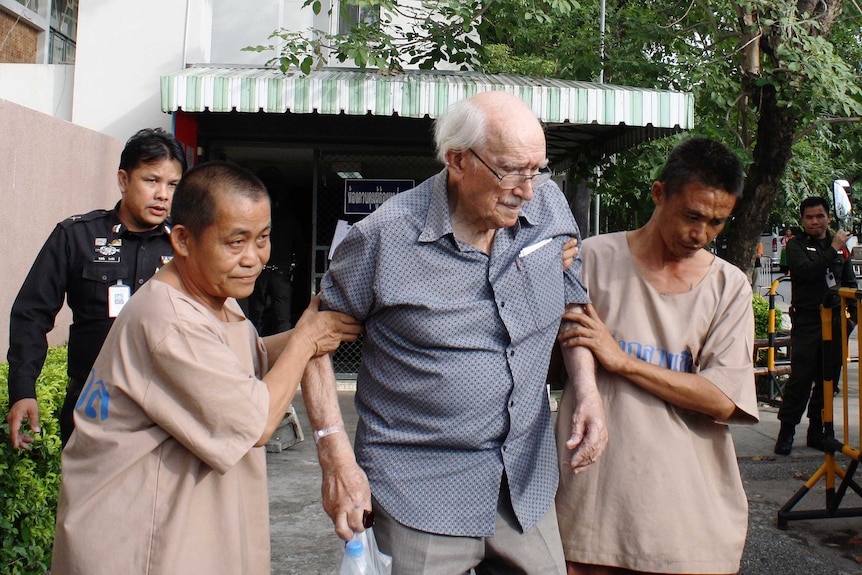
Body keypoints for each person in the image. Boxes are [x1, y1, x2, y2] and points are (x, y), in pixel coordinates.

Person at [301, 91, 607, 575]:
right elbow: (313, 342)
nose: (528, 189)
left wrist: (586, 390)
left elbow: (573, 300)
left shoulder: (548, 207)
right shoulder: (383, 238)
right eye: (512, 171)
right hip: (417, 490)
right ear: (458, 160)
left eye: (538, 169)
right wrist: (333, 451)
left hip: (523, 484)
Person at [49, 161, 362, 574]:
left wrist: (319, 329)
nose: (253, 258)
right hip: (136, 540)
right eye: (236, 243)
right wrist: (305, 340)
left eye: (263, 239)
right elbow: (256, 422)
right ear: (183, 239)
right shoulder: (169, 320)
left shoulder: (214, 294)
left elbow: (244, 357)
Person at [555, 137, 759, 575]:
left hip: (687, 517)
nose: (701, 234)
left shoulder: (729, 286)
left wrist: (620, 358)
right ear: (659, 193)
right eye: (693, 216)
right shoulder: (591, 259)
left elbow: (724, 398)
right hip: (594, 506)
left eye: (718, 223)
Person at [6, 128, 187, 449]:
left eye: (172, 184)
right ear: (123, 180)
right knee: (86, 499)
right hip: (93, 408)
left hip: (167, 412)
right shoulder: (75, 236)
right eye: (151, 180)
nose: (163, 194)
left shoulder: (187, 247)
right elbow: (31, 315)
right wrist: (23, 390)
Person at [774, 197, 857, 455]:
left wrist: (851, 320)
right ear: (802, 220)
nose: (815, 221)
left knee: (828, 379)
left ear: (828, 218)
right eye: (809, 217)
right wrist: (832, 248)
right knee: (801, 378)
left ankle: (817, 430)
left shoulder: (841, 248)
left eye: (820, 216)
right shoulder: (796, 245)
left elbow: (850, 284)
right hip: (808, 320)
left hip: (834, 321)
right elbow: (808, 273)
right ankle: (787, 431)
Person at [246, 166, 304, 335]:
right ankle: (282, 354)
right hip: (281, 273)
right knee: (283, 319)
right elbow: (300, 248)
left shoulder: (256, 221)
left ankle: (252, 350)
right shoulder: (289, 221)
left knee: (256, 315)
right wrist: (291, 266)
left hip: (260, 270)